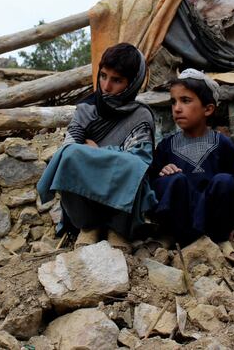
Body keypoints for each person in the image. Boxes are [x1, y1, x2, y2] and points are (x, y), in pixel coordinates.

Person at [37, 43, 157, 250]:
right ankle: (88, 227)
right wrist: (109, 156)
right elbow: (70, 146)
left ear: (133, 82)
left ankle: (117, 230)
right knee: (70, 156)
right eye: (103, 76)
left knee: (132, 167)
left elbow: (140, 160)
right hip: (86, 202)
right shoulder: (86, 109)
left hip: (122, 204)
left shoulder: (141, 116)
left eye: (117, 80)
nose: (106, 86)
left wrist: (97, 151)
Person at [148, 69, 234, 264]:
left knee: (225, 181)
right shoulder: (165, 146)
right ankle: (168, 236)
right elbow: (150, 183)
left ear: (208, 109)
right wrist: (163, 175)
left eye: (185, 101)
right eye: (174, 102)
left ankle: (221, 241)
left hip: (213, 221)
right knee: (174, 179)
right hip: (179, 221)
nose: (177, 108)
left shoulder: (222, 143)